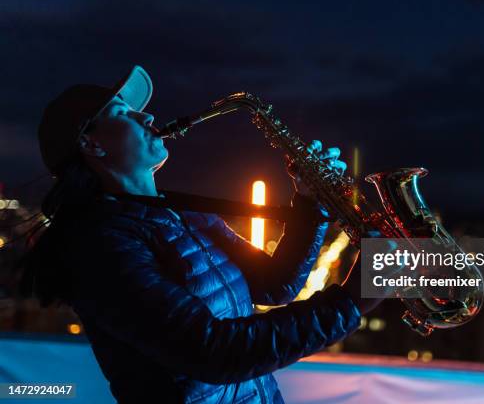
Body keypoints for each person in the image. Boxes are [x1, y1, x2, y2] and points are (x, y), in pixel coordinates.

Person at [20, 66, 384, 403]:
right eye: (122, 114)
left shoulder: (184, 213)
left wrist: (308, 203)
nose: (145, 115)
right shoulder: (99, 245)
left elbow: (274, 284)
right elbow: (212, 352)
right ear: (92, 145)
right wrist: (352, 300)